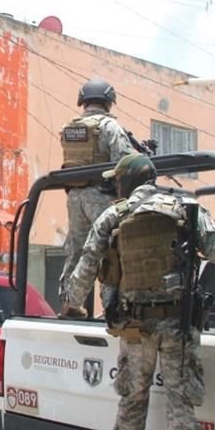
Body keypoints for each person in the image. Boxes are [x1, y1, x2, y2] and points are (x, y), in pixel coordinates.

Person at [63, 153, 215, 430]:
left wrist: (72, 304)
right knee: (180, 403)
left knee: (132, 397)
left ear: (129, 180)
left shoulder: (113, 214)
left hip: (133, 325)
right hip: (176, 325)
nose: (115, 184)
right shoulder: (184, 207)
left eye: (117, 180)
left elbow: (85, 265)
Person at [57, 79, 134, 319]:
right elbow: (124, 161)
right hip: (100, 195)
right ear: (109, 101)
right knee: (109, 249)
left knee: (77, 250)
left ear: (84, 100)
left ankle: (69, 303)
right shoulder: (109, 126)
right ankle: (110, 307)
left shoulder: (68, 128)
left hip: (74, 197)